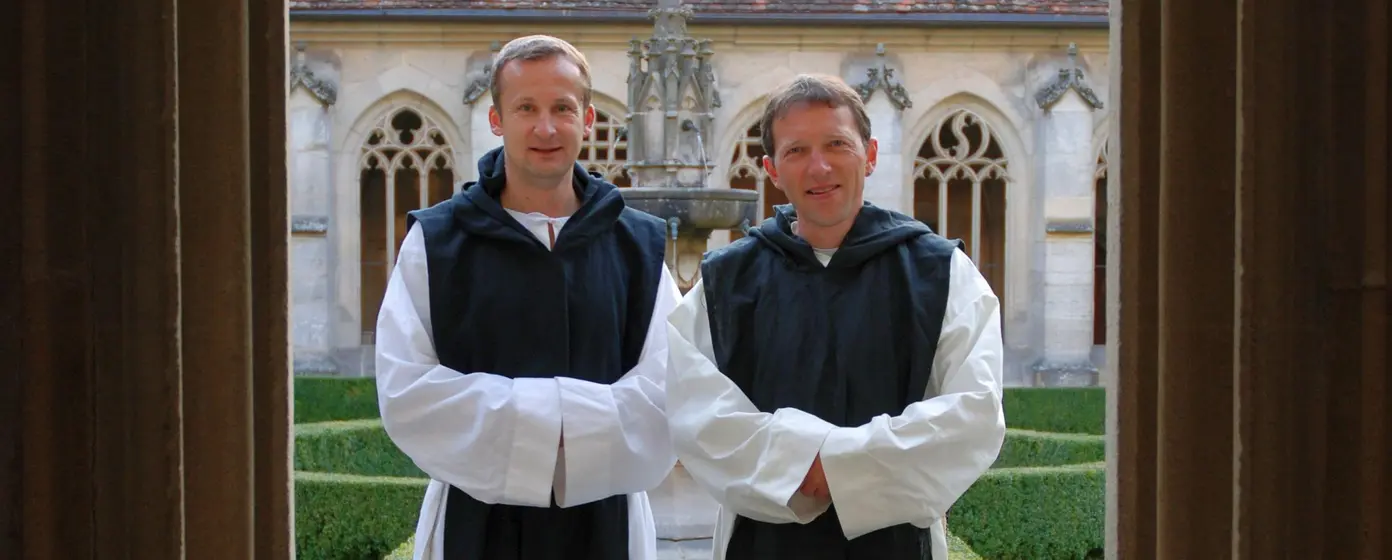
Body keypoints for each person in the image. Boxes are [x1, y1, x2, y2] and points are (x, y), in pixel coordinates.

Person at [664, 74, 1007, 559]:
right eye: (796, 151)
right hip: (761, 541)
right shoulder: (726, 282)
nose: (819, 166)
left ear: (869, 153)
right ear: (772, 169)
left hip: (895, 541)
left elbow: (973, 411)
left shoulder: (941, 272)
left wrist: (829, 467)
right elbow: (697, 414)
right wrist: (822, 467)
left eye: (836, 144)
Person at [374, 35, 680, 560]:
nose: (545, 127)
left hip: (606, 519)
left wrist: (542, 429)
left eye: (563, 108)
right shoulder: (438, 242)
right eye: (526, 108)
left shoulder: (639, 245)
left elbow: (673, 387)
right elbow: (407, 387)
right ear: (496, 119)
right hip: (474, 517)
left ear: (588, 119)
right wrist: (566, 425)